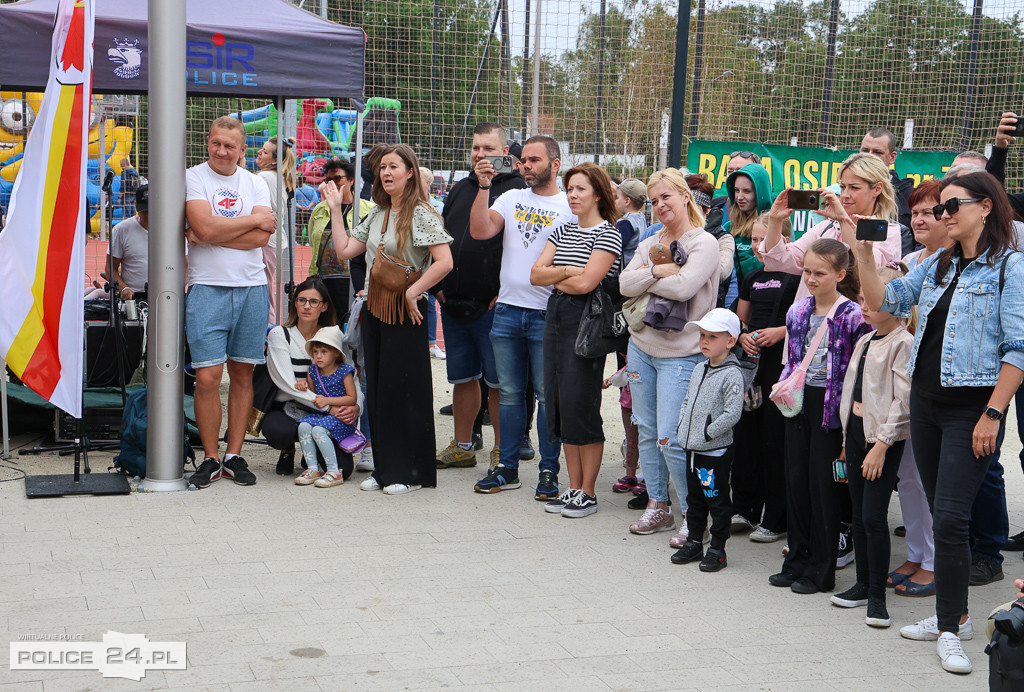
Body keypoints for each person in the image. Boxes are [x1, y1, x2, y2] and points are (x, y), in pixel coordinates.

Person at [859, 170, 1024, 675]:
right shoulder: (936, 264)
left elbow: (1018, 348)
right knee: (938, 509)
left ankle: (949, 627)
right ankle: (960, 615)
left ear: (986, 207)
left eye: (951, 207)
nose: (942, 216)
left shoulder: (1010, 267)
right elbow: (884, 302)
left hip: (971, 408)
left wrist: (993, 412)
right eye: (938, 209)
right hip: (926, 405)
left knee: (951, 518)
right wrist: (862, 251)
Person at [329, 143, 454, 495]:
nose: (386, 173)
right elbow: (344, 252)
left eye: (394, 167)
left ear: (410, 172)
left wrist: (415, 292)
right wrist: (336, 211)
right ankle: (385, 469)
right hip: (374, 310)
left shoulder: (422, 214)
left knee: (405, 393)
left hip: (406, 313)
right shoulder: (377, 214)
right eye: (383, 167)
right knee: (381, 391)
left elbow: (444, 262)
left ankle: (411, 472)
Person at [468, 135, 574, 499]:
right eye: (523, 160)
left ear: (555, 164)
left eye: (534, 160)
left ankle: (549, 471)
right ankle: (507, 469)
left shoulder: (569, 205)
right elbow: (480, 231)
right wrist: (484, 187)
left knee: (548, 397)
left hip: (549, 314)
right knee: (510, 394)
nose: (525, 165)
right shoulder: (510, 197)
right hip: (509, 311)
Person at [621, 168, 720, 540]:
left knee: (671, 438)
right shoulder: (651, 243)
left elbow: (685, 288)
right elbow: (623, 283)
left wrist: (650, 273)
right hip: (641, 346)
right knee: (645, 430)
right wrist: (660, 269)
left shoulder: (703, 243)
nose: (660, 205)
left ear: (685, 197)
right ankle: (657, 506)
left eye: (667, 197)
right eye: (654, 199)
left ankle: (697, 518)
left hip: (681, 354)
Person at [768, 238, 868, 596]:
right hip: (798, 403)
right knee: (795, 482)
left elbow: (859, 370)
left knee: (822, 489)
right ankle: (795, 560)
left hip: (832, 409)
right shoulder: (796, 312)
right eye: (807, 271)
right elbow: (791, 360)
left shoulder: (853, 315)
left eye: (819, 273)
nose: (810, 278)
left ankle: (821, 570)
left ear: (840, 274)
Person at [184, 116, 276, 488]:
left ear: (242, 150)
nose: (222, 151)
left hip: (252, 288)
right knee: (207, 377)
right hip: (207, 288)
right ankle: (209, 457)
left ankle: (234, 454)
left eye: (230, 146)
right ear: (209, 141)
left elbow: (261, 238)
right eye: (216, 143)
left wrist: (209, 234)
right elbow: (202, 228)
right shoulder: (193, 177)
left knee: (242, 373)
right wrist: (246, 221)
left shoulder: (255, 182)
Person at [529, 162, 622, 517]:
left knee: (582, 403)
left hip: (587, 323)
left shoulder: (608, 234)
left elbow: (588, 285)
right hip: (556, 317)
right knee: (559, 402)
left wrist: (559, 277)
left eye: (580, 189)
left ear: (597, 193)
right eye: (569, 189)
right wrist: (568, 271)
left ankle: (588, 491)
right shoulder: (563, 229)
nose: (572, 195)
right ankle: (572, 487)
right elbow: (536, 275)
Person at [435, 122, 524, 472]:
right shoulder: (459, 188)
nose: (480, 155)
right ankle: (463, 446)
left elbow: (522, 249)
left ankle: (503, 452)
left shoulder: (516, 191)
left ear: (505, 152)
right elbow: (439, 235)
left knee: (498, 383)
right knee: (461, 379)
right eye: (475, 148)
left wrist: (504, 292)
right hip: (453, 303)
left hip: (493, 307)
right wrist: (437, 288)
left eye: (488, 149)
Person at [831, 265, 912, 628]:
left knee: (873, 517)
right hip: (856, 437)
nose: (863, 305)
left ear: (896, 303)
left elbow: (903, 402)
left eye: (872, 299)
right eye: (862, 298)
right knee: (859, 514)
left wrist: (881, 444)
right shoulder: (865, 340)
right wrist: (848, 439)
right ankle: (863, 585)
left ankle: (878, 597)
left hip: (882, 442)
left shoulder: (903, 343)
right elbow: (853, 393)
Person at [888, 181, 946, 597]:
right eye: (915, 212)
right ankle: (915, 552)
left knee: (932, 480)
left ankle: (935, 562)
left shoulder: (965, 262)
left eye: (931, 211)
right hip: (903, 377)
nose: (920, 219)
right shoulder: (909, 260)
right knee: (908, 476)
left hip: (942, 387)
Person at [732, 212, 799, 542]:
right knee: (746, 437)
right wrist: (743, 335)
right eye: (754, 240)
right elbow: (740, 318)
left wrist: (782, 332)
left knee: (776, 441)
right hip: (752, 368)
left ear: (784, 239)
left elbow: (812, 318)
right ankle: (744, 508)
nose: (758, 246)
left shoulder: (798, 277)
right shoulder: (751, 277)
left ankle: (776, 517)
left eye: (764, 239)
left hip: (782, 367)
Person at [762, 152, 903, 303]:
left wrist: (844, 221)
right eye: (843, 187)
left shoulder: (887, 231)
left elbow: (869, 275)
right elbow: (779, 260)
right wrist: (775, 220)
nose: (845, 195)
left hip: (859, 323)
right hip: (811, 321)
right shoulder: (826, 228)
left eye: (854, 188)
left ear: (877, 189)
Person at [670, 308, 745, 571]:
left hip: (713, 452)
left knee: (717, 500)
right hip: (692, 450)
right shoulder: (700, 368)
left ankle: (717, 548)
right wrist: (684, 429)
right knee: (695, 500)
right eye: (702, 335)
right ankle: (693, 541)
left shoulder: (732, 374)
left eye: (712, 337)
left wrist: (706, 433)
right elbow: (687, 402)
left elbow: (732, 413)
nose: (704, 341)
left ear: (731, 341)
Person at [263, 277, 359, 478]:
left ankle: (312, 453)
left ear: (324, 306)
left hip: (326, 414)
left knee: (345, 470)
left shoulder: (333, 336)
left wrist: (356, 407)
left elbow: (352, 376)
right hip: (290, 409)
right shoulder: (280, 335)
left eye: (314, 302)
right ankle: (288, 450)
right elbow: (288, 384)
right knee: (278, 431)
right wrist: (328, 407)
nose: (307, 306)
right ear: (295, 303)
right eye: (301, 300)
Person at [308, 158, 375, 323]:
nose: (332, 184)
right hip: (324, 283)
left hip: (355, 283)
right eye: (328, 180)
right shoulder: (320, 210)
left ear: (351, 180)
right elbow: (313, 240)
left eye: (337, 179)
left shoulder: (369, 209)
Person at [293, 326, 359, 488]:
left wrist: (328, 401)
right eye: (315, 352)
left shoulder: (344, 371)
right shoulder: (313, 370)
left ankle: (333, 471)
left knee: (318, 430)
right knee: (303, 426)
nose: (318, 356)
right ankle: (313, 468)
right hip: (323, 416)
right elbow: (313, 393)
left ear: (336, 353)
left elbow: (352, 398)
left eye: (324, 351)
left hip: (341, 418)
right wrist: (304, 385)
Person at [85, 185, 152, 302]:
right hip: (132, 297)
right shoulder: (121, 230)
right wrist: (124, 288)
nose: (147, 215)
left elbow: (186, 266)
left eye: (151, 210)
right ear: (136, 205)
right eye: (144, 211)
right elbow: (110, 268)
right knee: (94, 294)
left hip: (164, 297)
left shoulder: (171, 230)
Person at [254, 136, 295, 325]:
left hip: (266, 240)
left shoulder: (264, 177)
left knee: (263, 290)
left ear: (274, 160)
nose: (259, 153)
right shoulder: (277, 176)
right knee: (266, 288)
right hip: (275, 240)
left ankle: (270, 332)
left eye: (264, 152)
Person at [723, 162, 773, 307]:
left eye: (747, 191)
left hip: (760, 304)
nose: (739, 197)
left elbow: (768, 268)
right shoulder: (728, 227)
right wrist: (749, 260)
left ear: (760, 193)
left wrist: (736, 261)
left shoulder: (774, 227)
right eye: (736, 190)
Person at [687, 173, 734, 308]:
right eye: (684, 207)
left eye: (694, 208)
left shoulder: (723, 238)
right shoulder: (660, 231)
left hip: (708, 313)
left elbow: (722, 272)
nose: (689, 213)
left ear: (707, 209)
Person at [859, 127, 913, 232]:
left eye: (877, 152)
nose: (869, 156)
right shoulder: (844, 190)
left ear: (892, 157)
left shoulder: (909, 196)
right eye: (865, 150)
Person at [419, 166, 446, 359]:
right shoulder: (406, 205)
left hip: (434, 259)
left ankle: (431, 343)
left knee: (431, 301)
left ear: (428, 183)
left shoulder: (439, 207)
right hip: (416, 260)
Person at [614, 178, 648, 267]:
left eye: (616, 198)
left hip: (625, 268)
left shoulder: (625, 222)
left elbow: (615, 246)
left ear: (627, 201)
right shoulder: (643, 218)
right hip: (639, 265)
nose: (614, 201)